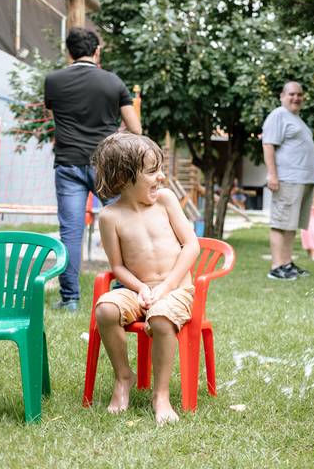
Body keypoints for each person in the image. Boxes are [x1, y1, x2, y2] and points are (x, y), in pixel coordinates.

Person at [91, 132, 200, 425]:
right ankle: (124, 377)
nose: (162, 177)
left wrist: (165, 288)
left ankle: (160, 395)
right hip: (137, 291)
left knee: (162, 318)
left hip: (176, 289)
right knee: (105, 309)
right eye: (153, 171)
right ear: (125, 177)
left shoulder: (165, 201)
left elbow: (191, 245)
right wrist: (140, 289)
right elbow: (118, 266)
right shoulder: (110, 216)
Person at [44, 27, 142, 312]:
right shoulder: (113, 82)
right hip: (107, 165)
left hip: (68, 162)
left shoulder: (53, 81)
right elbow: (135, 128)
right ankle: (125, 287)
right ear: (97, 51)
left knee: (71, 232)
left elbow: (56, 119)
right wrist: (113, 133)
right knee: (124, 224)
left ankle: (71, 299)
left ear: (68, 52)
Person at [262, 81, 314, 280]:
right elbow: (268, 145)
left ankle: (286, 264)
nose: (296, 98)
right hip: (287, 179)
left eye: (299, 94)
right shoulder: (278, 115)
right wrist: (273, 175)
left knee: (291, 224)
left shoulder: (296, 119)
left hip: (301, 180)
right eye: (292, 94)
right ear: (282, 96)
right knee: (280, 223)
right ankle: (276, 267)